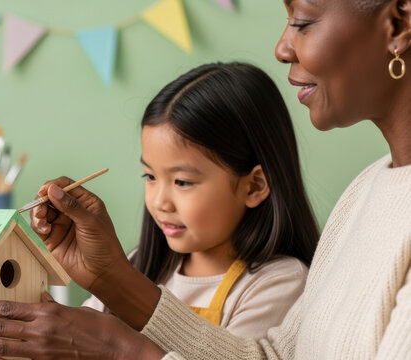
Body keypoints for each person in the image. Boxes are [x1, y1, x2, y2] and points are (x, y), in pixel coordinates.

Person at [0, 0, 411, 358]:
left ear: (398, 23)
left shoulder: (279, 278)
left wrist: (119, 349)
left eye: (304, 21)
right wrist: (111, 279)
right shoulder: (368, 190)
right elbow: (272, 358)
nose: (282, 48)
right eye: (150, 176)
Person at [78, 63, 318, 340]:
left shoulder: (278, 284)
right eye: (150, 176)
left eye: (182, 182)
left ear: (254, 186)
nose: (159, 202)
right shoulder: (141, 263)